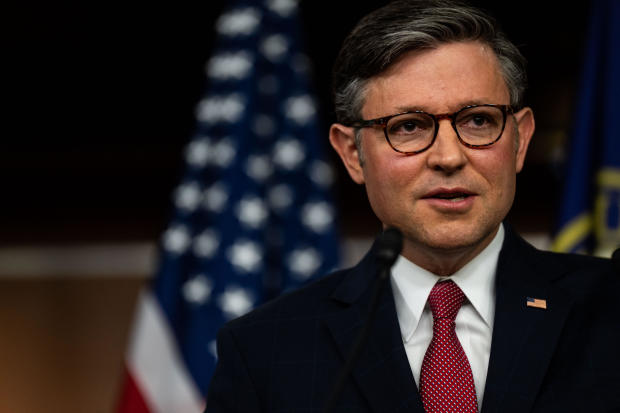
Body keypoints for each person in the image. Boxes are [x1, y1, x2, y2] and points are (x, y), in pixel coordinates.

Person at [206, 1, 620, 412]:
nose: (449, 156)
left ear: (520, 139)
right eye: (408, 126)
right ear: (352, 153)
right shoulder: (263, 350)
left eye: (478, 120)